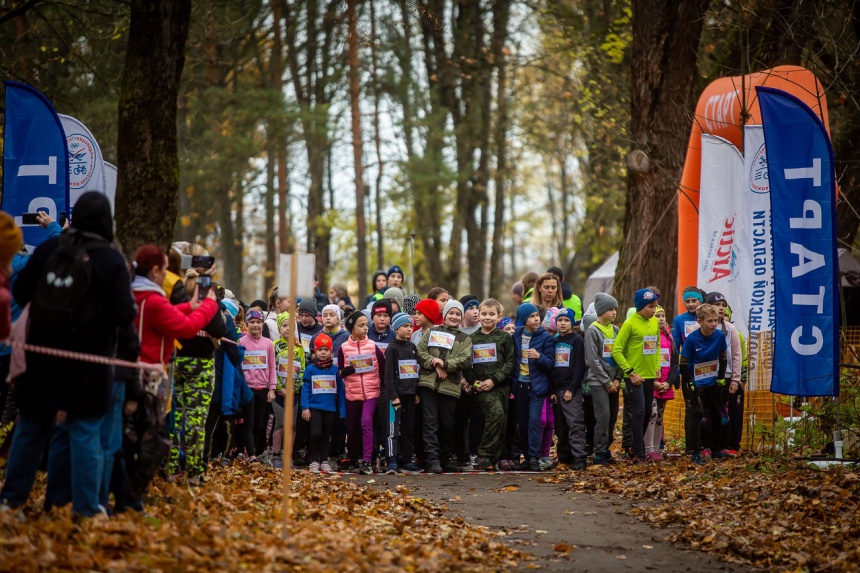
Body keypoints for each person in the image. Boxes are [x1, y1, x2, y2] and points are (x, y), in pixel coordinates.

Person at [0, 193, 135, 518]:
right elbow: (124, 316)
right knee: (86, 433)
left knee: (31, 429)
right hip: (89, 366)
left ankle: (10, 503)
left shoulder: (49, 249)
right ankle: (86, 511)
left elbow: (20, 291)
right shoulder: (110, 259)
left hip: (41, 361)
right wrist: (130, 364)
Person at [168, 264, 228, 484]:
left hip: (176, 361)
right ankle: (193, 473)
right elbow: (221, 330)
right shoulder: (206, 304)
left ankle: (172, 469)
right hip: (201, 365)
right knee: (196, 420)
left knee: (175, 417)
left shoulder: (178, 299)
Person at [416, 300, 473, 473]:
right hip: (428, 383)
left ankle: (445, 458)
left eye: (458, 314)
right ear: (445, 315)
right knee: (430, 421)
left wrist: (446, 364)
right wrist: (435, 362)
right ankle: (432, 460)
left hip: (450, 385)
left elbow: (466, 359)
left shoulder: (465, 338)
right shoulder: (432, 331)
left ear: (461, 318)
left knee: (448, 423)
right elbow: (420, 351)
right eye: (451, 313)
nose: (454, 317)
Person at [611, 288, 660, 463]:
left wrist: (657, 365)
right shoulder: (629, 324)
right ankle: (638, 452)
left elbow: (657, 344)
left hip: (649, 375)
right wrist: (630, 372)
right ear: (640, 306)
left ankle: (634, 446)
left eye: (655, 306)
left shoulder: (654, 323)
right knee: (639, 411)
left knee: (647, 411)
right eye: (650, 307)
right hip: (633, 376)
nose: (653, 310)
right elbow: (617, 350)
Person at [465, 299, 515, 471]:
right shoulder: (471, 339)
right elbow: (466, 364)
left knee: (502, 421)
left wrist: (495, 379)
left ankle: (493, 459)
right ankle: (483, 454)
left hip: (501, 386)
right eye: (484, 314)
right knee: (496, 414)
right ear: (479, 316)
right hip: (481, 389)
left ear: (499, 316)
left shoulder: (504, 338)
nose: (487, 317)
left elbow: (510, 363)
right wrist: (474, 381)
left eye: (491, 314)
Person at [338, 310, 386, 474]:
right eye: (361, 325)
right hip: (352, 393)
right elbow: (339, 371)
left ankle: (367, 460)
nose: (366, 328)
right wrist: (344, 372)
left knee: (366, 422)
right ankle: (353, 458)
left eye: (367, 325)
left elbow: (383, 367)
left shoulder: (373, 346)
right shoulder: (343, 348)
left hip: (371, 393)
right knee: (352, 427)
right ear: (352, 328)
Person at [680, 304, 728, 465]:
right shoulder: (692, 339)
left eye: (716, 320)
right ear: (700, 322)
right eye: (710, 321)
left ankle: (715, 448)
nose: (714, 324)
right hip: (695, 381)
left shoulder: (719, 336)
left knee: (715, 413)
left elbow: (723, 357)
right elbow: (683, 363)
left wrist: (721, 377)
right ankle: (694, 450)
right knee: (697, 413)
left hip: (712, 380)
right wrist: (690, 382)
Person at [511, 303, 556, 471]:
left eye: (537, 315)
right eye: (532, 316)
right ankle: (527, 458)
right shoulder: (516, 335)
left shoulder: (545, 337)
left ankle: (535, 459)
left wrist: (539, 356)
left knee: (534, 422)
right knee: (522, 423)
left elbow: (551, 363)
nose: (536, 319)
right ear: (523, 319)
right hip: (520, 385)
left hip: (537, 386)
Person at [583, 293, 621, 465]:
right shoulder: (593, 330)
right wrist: (606, 382)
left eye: (615, 309)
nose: (613, 313)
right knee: (603, 416)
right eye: (610, 309)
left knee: (612, 417)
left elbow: (620, 354)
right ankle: (598, 452)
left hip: (614, 382)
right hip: (599, 383)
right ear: (601, 311)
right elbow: (592, 359)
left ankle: (606, 449)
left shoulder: (615, 330)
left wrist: (618, 378)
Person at [703, 292, 742, 459]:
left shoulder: (730, 328)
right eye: (717, 305)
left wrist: (735, 379)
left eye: (723, 306)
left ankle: (722, 446)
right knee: (707, 413)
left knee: (723, 412)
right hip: (705, 376)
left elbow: (736, 354)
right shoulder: (700, 328)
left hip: (725, 376)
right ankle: (706, 446)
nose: (720, 308)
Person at [300, 333, 346, 473]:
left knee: (327, 434)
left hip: (330, 408)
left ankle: (324, 460)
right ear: (315, 352)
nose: (323, 352)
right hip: (314, 407)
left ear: (331, 351)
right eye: (320, 350)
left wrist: (342, 410)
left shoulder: (335, 370)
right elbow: (305, 389)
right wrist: (305, 407)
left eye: (326, 350)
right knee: (315, 434)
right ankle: (314, 460)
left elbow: (341, 391)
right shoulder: (310, 369)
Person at [378, 313, 416, 474]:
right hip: (395, 397)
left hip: (410, 395)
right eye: (405, 326)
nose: (408, 329)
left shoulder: (412, 347)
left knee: (408, 429)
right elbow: (388, 376)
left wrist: (416, 393)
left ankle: (407, 460)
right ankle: (391, 460)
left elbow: (415, 373)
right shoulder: (392, 348)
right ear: (396, 328)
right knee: (392, 429)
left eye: (410, 326)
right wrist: (393, 396)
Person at [551, 308, 587, 470]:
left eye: (566, 320)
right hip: (556, 390)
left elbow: (580, 367)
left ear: (572, 323)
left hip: (570, 390)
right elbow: (550, 367)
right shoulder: (554, 340)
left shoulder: (577, 340)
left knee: (575, 423)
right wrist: (552, 390)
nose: (563, 323)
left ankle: (579, 456)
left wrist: (572, 389)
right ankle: (564, 457)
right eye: (560, 320)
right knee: (560, 426)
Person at [238, 309, 276, 461]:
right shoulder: (241, 342)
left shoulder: (268, 344)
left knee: (259, 424)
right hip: (247, 389)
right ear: (247, 324)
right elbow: (239, 366)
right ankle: (247, 452)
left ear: (262, 324)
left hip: (263, 388)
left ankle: (254, 451)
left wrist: (272, 388)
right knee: (247, 422)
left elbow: (272, 366)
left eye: (258, 322)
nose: (255, 325)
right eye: (252, 322)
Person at [645, 306, 678, 462]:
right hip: (651, 384)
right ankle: (648, 449)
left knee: (659, 417)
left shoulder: (669, 337)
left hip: (665, 384)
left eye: (663, 315)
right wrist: (654, 383)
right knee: (651, 415)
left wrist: (669, 382)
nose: (661, 318)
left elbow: (674, 362)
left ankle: (657, 449)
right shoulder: (649, 336)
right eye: (657, 316)